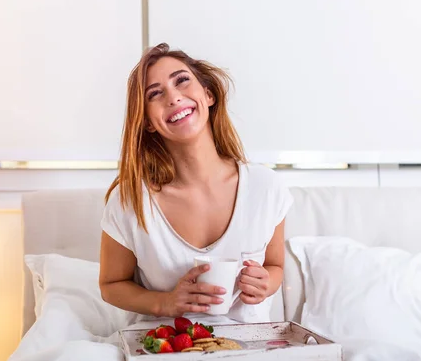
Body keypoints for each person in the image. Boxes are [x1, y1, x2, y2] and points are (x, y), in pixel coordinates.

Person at [98, 43, 293, 324]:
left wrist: (266, 283)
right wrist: (164, 303)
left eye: (182, 81)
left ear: (209, 94)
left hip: (250, 352)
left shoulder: (266, 187)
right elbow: (110, 285)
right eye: (155, 93)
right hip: (166, 351)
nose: (174, 97)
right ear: (149, 122)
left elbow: (275, 267)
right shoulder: (130, 200)